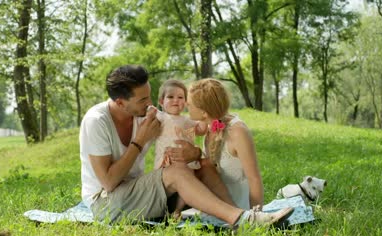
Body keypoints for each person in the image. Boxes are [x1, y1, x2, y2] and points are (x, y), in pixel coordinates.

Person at [79, 65, 293, 227]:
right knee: (178, 173)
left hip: (140, 194)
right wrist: (140, 141)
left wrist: (200, 145)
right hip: (106, 204)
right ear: (120, 103)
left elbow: (188, 124)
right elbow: (108, 182)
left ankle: (239, 216)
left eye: (150, 95)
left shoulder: (143, 114)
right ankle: (241, 219)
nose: (150, 103)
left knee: (203, 166)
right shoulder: (97, 121)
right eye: (143, 99)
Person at [166, 78, 264, 211]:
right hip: (214, 201)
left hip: (238, 205)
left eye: (189, 104)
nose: (185, 105)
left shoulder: (238, 132)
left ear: (204, 112)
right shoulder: (207, 124)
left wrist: (256, 216)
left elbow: (254, 179)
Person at [153, 79, 207, 170]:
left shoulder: (187, 120)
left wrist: (203, 113)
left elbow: (201, 130)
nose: (176, 100)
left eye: (180, 97)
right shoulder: (160, 117)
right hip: (166, 163)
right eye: (170, 97)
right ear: (161, 102)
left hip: (187, 161)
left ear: (186, 102)